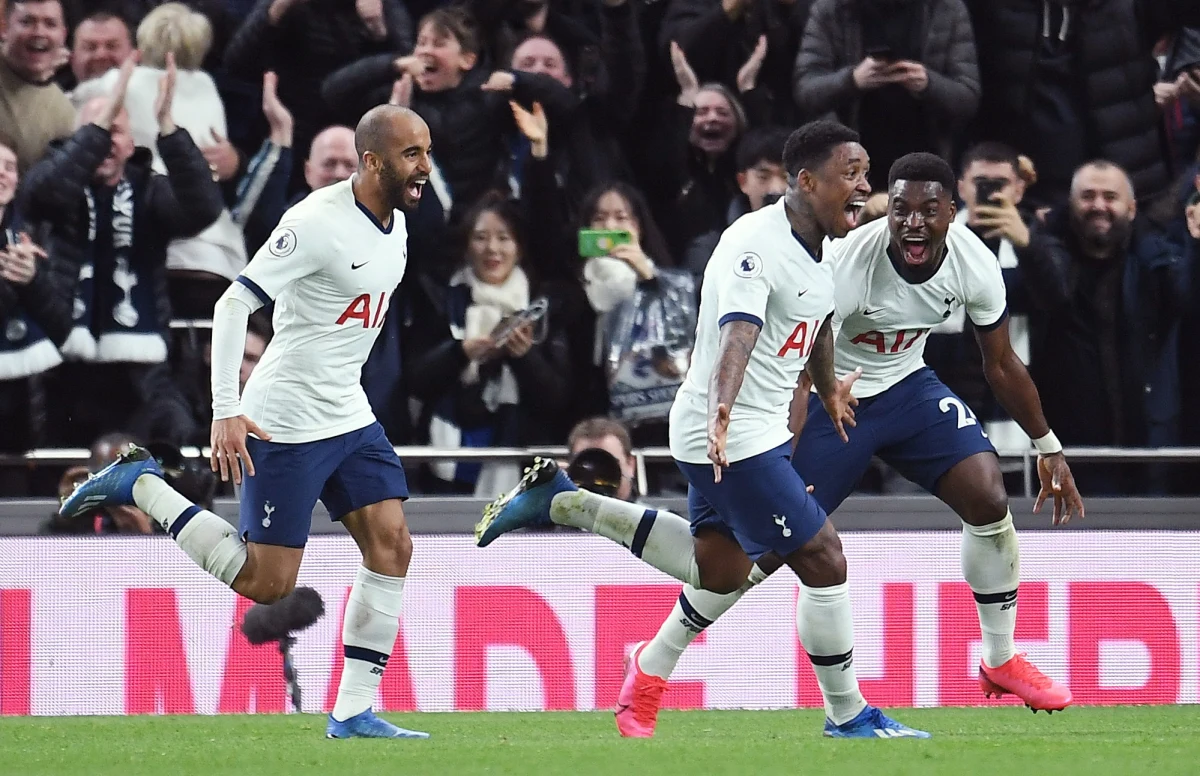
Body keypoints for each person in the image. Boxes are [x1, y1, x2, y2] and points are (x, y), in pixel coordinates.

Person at [476, 120, 930, 740]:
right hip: (729, 431)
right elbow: (738, 331)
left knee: (715, 570)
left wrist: (826, 387)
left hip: (753, 429)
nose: (864, 186)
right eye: (851, 173)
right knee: (824, 558)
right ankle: (848, 713)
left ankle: (566, 503)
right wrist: (723, 411)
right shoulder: (755, 243)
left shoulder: (819, 246)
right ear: (805, 180)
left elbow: (817, 322)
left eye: (865, 172)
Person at [625, 152, 1086, 737]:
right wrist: (777, 458)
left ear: (953, 212)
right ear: (885, 211)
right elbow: (797, 364)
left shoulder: (975, 261)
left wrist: (1048, 446)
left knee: (988, 496)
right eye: (900, 210)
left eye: (928, 210)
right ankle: (655, 659)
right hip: (834, 398)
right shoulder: (847, 262)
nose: (913, 223)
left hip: (908, 388)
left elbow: (999, 363)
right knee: (755, 557)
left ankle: (999, 660)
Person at [59, 104, 435, 741]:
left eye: (427, 151)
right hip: (283, 419)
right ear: (373, 162)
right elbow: (234, 302)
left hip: (347, 411)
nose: (425, 167)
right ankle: (141, 486)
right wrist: (226, 408)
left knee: (393, 544)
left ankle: (352, 711)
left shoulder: (395, 223)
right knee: (267, 583)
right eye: (412, 155)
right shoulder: (315, 223)